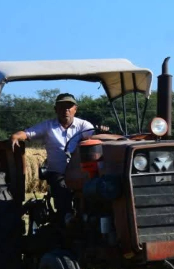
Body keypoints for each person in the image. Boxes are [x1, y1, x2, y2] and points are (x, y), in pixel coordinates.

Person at [10, 93, 104, 225]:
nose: (66, 110)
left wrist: (103, 132)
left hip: (80, 173)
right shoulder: (48, 126)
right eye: (62, 106)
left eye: (69, 106)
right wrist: (15, 136)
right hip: (58, 173)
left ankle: (91, 219)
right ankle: (66, 220)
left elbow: (96, 136)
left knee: (94, 190)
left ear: (75, 109)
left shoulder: (83, 125)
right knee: (61, 189)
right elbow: (27, 133)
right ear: (56, 109)